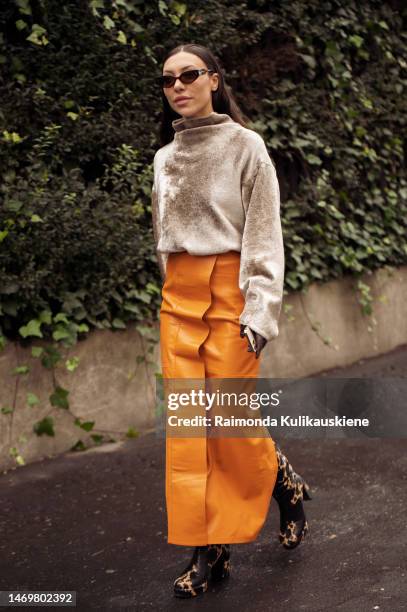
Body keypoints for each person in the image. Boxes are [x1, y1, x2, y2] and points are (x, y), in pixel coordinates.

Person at [151, 43, 312, 599]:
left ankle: (282, 483)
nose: (178, 85)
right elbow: (162, 241)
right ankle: (210, 550)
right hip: (179, 301)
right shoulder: (164, 158)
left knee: (234, 427)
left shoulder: (247, 148)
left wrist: (260, 310)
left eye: (189, 74)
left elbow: (264, 235)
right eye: (169, 79)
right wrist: (171, 295)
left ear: (213, 80)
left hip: (230, 300)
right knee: (191, 433)